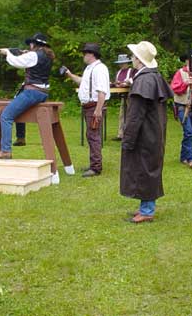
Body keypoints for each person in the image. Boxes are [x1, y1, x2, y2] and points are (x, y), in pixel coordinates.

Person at [120, 41, 173, 223]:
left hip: (146, 134)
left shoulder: (145, 80)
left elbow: (135, 115)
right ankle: (145, 207)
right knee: (146, 168)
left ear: (139, 60)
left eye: (134, 56)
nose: (132, 59)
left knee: (145, 169)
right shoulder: (152, 77)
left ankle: (147, 211)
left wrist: (128, 138)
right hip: (153, 132)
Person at [0, 33, 55, 159]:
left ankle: (5, 150)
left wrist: (7, 53)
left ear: (34, 44)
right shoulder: (47, 56)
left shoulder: (33, 55)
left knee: (5, 116)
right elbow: (31, 62)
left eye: (30, 44)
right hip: (42, 93)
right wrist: (25, 54)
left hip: (32, 92)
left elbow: (16, 62)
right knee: (16, 104)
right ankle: (20, 137)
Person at [63, 43, 110, 177]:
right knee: (91, 135)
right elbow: (83, 82)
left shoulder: (99, 69)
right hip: (90, 106)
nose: (83, 55)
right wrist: (69, 74)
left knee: (93, 136)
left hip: (94, 106)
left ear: (91, 54)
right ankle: (94, 164)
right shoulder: (90, 68)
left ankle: (96, 167)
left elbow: (102, 91)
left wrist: (98, 110)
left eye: (85, 53)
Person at [111, 54, 135, 141]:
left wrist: (126, 83)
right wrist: (116, 83)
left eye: (123, 63)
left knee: (130, 115)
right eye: (120, 63)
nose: (121, 65)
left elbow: (134, 81)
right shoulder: (119, 72)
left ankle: (129, 134)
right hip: (122, 95)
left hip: (130, 96)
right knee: (122, 115)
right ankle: (120, 134)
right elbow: (116, 82)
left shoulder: (131, 71)